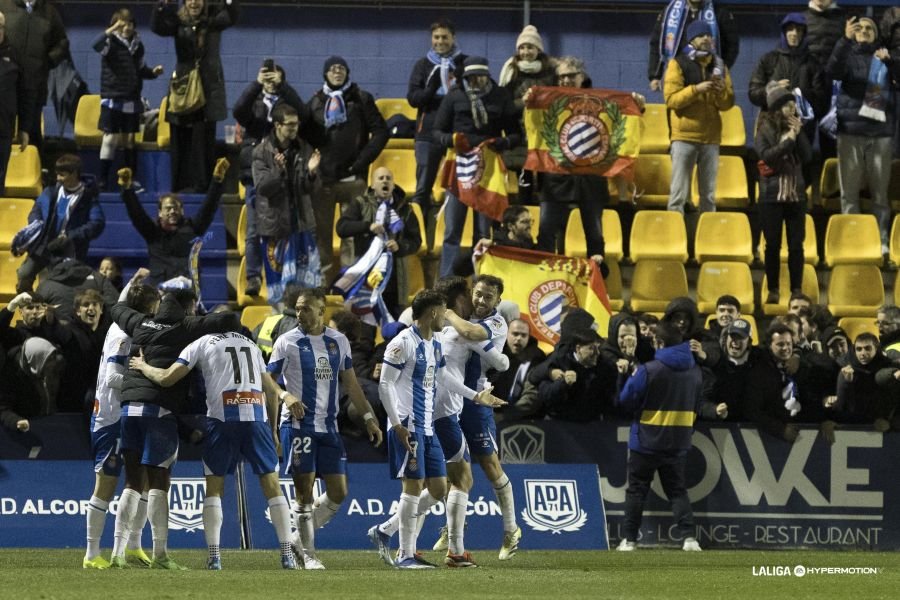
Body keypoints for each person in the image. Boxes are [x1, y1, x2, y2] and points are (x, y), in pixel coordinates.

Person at [129, 328, 300, 570]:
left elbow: (168, 377)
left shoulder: (202, 341)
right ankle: (286, 555)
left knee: (214, 489)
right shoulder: (250, 344)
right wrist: (272, 430)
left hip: (222, 418)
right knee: (272, 487)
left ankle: (214, 556)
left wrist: (143, 366)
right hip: (256, 416)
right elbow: (271, 390)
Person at [109, 285, 240, 570]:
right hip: (159, 409)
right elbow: (228, 319)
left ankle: (117, 554)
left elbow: (116, 308)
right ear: (189, 306)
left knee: (132, 483)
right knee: (159, 485)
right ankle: (160, 554)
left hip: (129, 408)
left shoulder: (140, 322)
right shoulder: (186, 325)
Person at [371, 289, 503, 569]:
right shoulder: (402, 342)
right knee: (412, 486)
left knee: (439, 486)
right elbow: (385, 384)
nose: (447, 317)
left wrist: (474, 396)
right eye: (444, 312)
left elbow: (442, 375)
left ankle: (385, 531)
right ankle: (406, 554)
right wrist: (396, 424)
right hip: (408, 424)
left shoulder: (434, 343)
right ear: (433, 313)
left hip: (427, 424)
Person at [266, 287, 383, 569]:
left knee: (339, 490)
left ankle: (296, 539)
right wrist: (284, 396)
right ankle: (308, 555)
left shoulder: (338, 341)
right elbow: (266, 379)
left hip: (328, 426)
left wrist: (368, 416)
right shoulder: (287, 341)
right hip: (297, 425)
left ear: (321, 311)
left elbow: (351, 384)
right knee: (304, 492)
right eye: (297, 307)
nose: (299, 312)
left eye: (306, 307)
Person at [439, 274, 522, 560]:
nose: (481, 300)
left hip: (477, 400)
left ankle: (511, 530)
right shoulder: (466, 315)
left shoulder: (496, 321)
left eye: (488, 296)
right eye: (477, 294)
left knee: (489, 465)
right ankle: (452, 529)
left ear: (498, 300)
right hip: (453, 398)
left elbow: (471, 335)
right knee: (454, 466)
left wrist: (447, 312)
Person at [82, 275, 157, 570]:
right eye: (153, 308)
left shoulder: (123, 324)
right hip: (111, 417)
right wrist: (145, 375)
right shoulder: (123, 336)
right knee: (106, 485)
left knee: (142, 481)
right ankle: (91, 553)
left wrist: (136, 280)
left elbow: (124, 300)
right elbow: (112, 378)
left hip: (130, 414)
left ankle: (135, 545)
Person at [535, 57, 627, 276]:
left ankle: (596, 280)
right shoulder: (547, 100)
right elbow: (529, 120)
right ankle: (545, 277)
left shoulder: (602, 101)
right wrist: (529, 101)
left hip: (591, 177)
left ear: (582, 77)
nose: (566, 79)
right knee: (546, 231)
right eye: (562, 76)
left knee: (594, 234)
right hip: (556, 176)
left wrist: (637, 103)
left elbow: (625, 117)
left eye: (571, 75)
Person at [615, 321, 703, 551]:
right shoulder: (695, 370)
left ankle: (630, 540)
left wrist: (624, 377)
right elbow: (698, 406)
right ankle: (689, 539)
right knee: (677, 490)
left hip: (645, 440)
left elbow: (626, 400)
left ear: (660, 343)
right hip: (678, 441)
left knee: (636, 491)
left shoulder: (649, 370)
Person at [433, 56, 522, 277]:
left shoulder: (500, 96)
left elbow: (516, 134)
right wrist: (451, 140)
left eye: (480, 77)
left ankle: (481, 279)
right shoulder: (454, 96)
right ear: (465, 77)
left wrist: (504, 143)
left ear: (487, 76)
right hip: (459, 168)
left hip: (488, 168)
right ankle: (446, 282)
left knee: (484, 230)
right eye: (471, 78)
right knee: (452, 229)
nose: (476, 82)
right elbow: (436, 132)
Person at [306, 56, 388, 281]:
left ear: (347, 73)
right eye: (332, 69)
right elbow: (303, 137)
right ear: (325, 74)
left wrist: (362, 162)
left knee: (352, 234)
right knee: (321, 236)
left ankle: (349, 283)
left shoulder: (361, 99)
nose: (337, 72)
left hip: (353, 179)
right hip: (323, 181)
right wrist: (312, 168)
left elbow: (381, 132)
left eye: (341, 68)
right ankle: (320, 285)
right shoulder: (315, 102)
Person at [826, 16, 900, 261]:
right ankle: (853, 240)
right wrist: (844, 40)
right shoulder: (847, 55)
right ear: (853, 33)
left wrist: (890, 61)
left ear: (876, 33)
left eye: (870, 28)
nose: (865, 31)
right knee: (849, 194)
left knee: (880, 195)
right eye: (860, 28)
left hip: (880, 134)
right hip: (851, 133)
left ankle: (880, 241)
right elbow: (833, 71)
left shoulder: (886, 57)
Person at [233, 60, 306, 296]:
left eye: (275, 76)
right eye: (268, 75)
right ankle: (254, 277)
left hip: (285, 176)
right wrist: (257, 84)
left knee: (287, 228)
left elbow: (303, 113)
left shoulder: (287, 106)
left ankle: (288, 277)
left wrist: (283, 87)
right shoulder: (254, 103)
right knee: (254, 229)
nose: (271, 79)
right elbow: (238, 111)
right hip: (255, 174)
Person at [151, 0, 238, 193]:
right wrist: (160, 7)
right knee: (179, 138)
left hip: (207, 91)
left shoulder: (214, 21)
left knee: (202, 139)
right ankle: (179, 186)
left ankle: (201, 186)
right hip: (182, 89)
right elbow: (157, 27)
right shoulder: (178, 22)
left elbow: (232, 16)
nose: (194, 2)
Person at [118, 157, 229, 286]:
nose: (172, 211)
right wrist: (127, 189)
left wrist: (217, 181)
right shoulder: (152, 233)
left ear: (182, 211)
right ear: (160, 213)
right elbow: (136, 212)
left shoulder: (193, 228)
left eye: (176, 208)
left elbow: (209, 207)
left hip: (187, 293)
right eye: (168, 208)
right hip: (160, 294)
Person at [664, 20, 735, 214]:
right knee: (678, 196)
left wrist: (721, 92)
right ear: (691, 40)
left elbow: (727, 104)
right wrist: (696, 90)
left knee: (709, 196)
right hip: (684, 138)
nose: (706, 39)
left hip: (710, 138)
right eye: (701, 35)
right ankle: (674, 238)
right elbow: (671, 99)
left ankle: (706, 239)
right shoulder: (677, 63)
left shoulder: (719, 64)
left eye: (708, 35)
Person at [252, 103, 321, 303]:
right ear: (277, 125)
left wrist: (311, 173)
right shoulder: (261, 152)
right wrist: (278, 172)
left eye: (296, 124)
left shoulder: (304, 148)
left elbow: (310, 189)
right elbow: (263, 188)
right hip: (275, 228)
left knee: (302, 284)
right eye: (289, 125)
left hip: (300, 224)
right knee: (278, 285)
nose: (294, 128)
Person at [92, 8, 163, 191]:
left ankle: (131, 180)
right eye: (122, 24)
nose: (126, 27)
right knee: (110, 139)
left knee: (130, 140)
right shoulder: (110, 42)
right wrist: (113, 28)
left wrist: (153, 73)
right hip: (112, 98)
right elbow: (96, 44)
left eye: (129, 23)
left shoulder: (138, 46)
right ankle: (102, 179)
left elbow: (141, 69)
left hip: (132, 98)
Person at [336, 166, 422, 316]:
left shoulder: (404, 208)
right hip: (367, 276)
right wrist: (367, 226)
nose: (385, 181)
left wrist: (400, 246)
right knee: (365, 332)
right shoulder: (361, 204)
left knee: (394, 331)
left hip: (395, 279)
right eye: (380, 178)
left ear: (393, 185)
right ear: (373, 185)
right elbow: (342, 228)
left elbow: (416, 240)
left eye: (388, 178)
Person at [755, 84, 813, 304]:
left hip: (795, 195)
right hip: (772, 196)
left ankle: (796, 289)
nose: (792, 109)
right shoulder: (764, 130)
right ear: (777, 108)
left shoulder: (796, 129)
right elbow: (767, 156)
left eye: (793, 106)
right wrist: (788, 140)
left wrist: (799, 135)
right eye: (788, 106)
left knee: (796, 245)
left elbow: (807, 157)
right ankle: (773, 289)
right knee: (772, 245)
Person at [15, 154, 105, 294]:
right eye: (57, 174)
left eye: (62, 175)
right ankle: (31, 306)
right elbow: (36, 210)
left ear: (74, 174)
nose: (58, 178)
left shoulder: (88, 198)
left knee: (55, 287)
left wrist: (70, 236)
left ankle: (49, 311)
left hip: (67, 250)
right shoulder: (50, 192)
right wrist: (36, 224)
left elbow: (97, 223)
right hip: (42, 245)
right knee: (23, 274)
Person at [407, 19, 467, 215]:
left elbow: (475, 95)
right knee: (423, 188)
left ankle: (452, 236)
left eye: (445, 37)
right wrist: (431, 88)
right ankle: (419, 236)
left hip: (457, 132)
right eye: (436, 37)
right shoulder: (422, 65)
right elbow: (413, 99)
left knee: (459, 187)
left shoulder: (464, 62)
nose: (440, 41)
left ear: (453, 38)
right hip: (427, 134)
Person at [498, 25, 556, 203]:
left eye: (530, 47)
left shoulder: (552, 72)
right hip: (520, 135)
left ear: (538, 49)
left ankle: (546, 226)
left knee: (547, 184)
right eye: (522, 47)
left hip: (544, 134)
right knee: (525, 182)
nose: (526, 51)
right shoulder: (510, 71)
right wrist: (521, 103)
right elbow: (504, 106)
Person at [0, 0, 68, 148]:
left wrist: (46, 62)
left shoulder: (50, 12)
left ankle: (32, 169)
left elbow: (62, 43)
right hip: (6, 83)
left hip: (35, 85)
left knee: (31, 135)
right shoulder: (3, 5)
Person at [748, 13, 826, 137]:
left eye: (799, 30)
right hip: (771, 128)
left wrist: (800, 94)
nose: (794, 33)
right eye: (790, 29)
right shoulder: (768, 59)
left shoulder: (813, 64)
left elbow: (821, 101)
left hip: (802, 129)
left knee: (801, 156)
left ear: (804, 34)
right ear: (784, 32)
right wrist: (772, 89)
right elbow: (753, 94)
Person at [648, 0, 738, 92]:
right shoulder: (669, 12)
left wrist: (718, 72)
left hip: (708, 82)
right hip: (677, 79)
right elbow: (657, 44)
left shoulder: (719, 13)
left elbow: (732, 47)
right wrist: (655, 76)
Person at [0, 8, 34, 195]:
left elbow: (26, 94)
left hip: (3, 130)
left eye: (0, 27)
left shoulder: (14, 55)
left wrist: (24, 128)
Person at [490, 317, 546, 407]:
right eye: (515, 334)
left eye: (523, 335)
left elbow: (533, 393)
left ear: (528, 337)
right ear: (506, 334)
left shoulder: (537, 357)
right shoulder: (495, 351)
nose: (519, 338)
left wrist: (506, 415)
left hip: (521, 414)